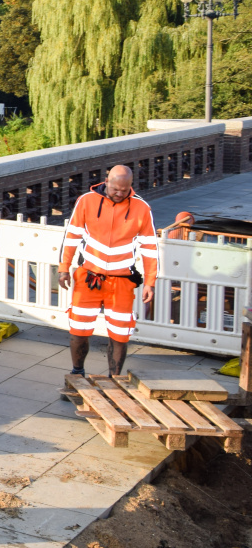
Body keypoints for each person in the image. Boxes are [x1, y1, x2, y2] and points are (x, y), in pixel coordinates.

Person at [58, 165, 158, 395]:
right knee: (79, 329)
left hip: (122, 280)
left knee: (120, 332)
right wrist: (64, 268)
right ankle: (76, 373)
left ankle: (115, 380)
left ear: (130, 186)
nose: (119, 193)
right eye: (115, 188)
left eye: (124, 190)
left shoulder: (141, 208)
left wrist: (150, 282)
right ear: (106, 181)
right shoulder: (87, 201)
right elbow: (71, 236)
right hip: (89, 277)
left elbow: (151, 248)